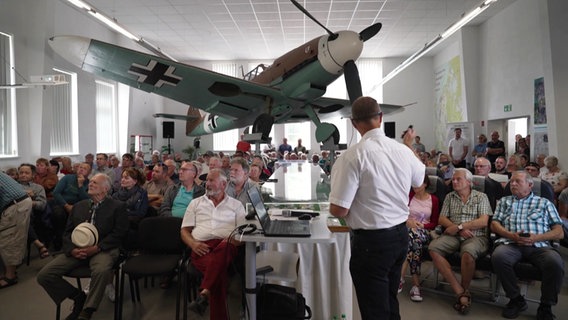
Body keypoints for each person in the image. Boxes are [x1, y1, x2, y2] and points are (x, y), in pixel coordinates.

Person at [329, 96, 425, 319]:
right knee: (390, 300)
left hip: (371, 243)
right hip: (401, 236)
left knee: (374, 309)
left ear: (354, 123)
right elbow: (419, 183)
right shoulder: (402, 151)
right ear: (381, 118)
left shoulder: (352, 156)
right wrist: (409, 146)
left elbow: (339, 210)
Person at [37, 174, 129, 320]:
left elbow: (119, 233)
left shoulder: (117, 207)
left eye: (95, 183)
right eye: (90, 181)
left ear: (105, 189)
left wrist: (97, 248)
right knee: (44, 275)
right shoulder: (79, 206)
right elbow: (67, 232)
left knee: (101, 270)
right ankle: (78, 296)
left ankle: (87, 311)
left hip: (103, 249)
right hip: (77, 250)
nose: (90, 184)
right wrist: (72, 250)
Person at [491, 171, 564, 320]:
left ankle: (545, 306)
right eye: (512, 182)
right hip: (511, 243)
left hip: (539, 245)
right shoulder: (505, 201)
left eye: (518, 181)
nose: (513, 184)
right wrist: (511, 235)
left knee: (555, 262)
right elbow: (494, 224)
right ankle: (516, 299)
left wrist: (537, 237)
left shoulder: (544, 203)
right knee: (499, 257)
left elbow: (559, 231)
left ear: (530, 185)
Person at [181, 169, 246, 318]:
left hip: (227, 247)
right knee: (219, 275)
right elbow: (184, 231)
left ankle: (204, 292)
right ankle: (206, 293)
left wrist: (231, 242)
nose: (207, 184)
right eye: (207, 181)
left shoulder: (236, 205)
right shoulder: (195, 203)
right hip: (201, 248)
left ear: (223, 184)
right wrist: (193, 244)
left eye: (211, 180)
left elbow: (242, 235)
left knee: (224, 248)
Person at [428, 168, 492, 315]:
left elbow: (483, 221)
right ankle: (460, 292)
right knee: (433, 248)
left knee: (468, 253)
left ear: (469, 182)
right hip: (453, 235)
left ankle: (465, 290)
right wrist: (457, 229)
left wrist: (459, 226)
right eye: (453, 179)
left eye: (458, 179)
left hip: (476, 236)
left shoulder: (481, 197)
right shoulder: (450, 197)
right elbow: (442, 219)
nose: (454, 182)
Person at [399, 175, 440, 302]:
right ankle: (416, 285)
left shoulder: (433, 199)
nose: (415, 187)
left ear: (426, 184)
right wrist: (407, 222)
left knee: (413, 239)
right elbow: (400, 213)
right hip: (407, 228)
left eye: (418, 184)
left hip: (424, 230)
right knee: (414, 242)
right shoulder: (409, 196)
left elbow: (435, 222)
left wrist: (422, 225)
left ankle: (400, 278)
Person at [0, 172, 32, 289]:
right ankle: (11, 269)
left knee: (8, 239)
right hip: (18, 202)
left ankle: (10, 276)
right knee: (11, 237)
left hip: (15, 205)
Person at [52, 162, 91, 251]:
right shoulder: (67, 178)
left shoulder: (89, 183)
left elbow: (85, 200)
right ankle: (59, 243)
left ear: (89, 172)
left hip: (78, 207)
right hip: (62, 204)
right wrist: (66, 205)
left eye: (84, 169)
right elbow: (56, 193)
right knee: (59, 214)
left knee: (80, 217)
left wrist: (80, 185)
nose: (81, 169)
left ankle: (76, 243)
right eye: (80, 167)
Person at [18, 163, 50, 259]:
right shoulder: (13, 186)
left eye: (27, 173)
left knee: (24, 216)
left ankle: (37, 244)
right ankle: (38, 244)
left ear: (33, 175)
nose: (23, 175)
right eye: (21, 172)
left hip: (31, 213)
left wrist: (31, 200)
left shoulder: (38, 188)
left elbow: (42, 205)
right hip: (13, 213)